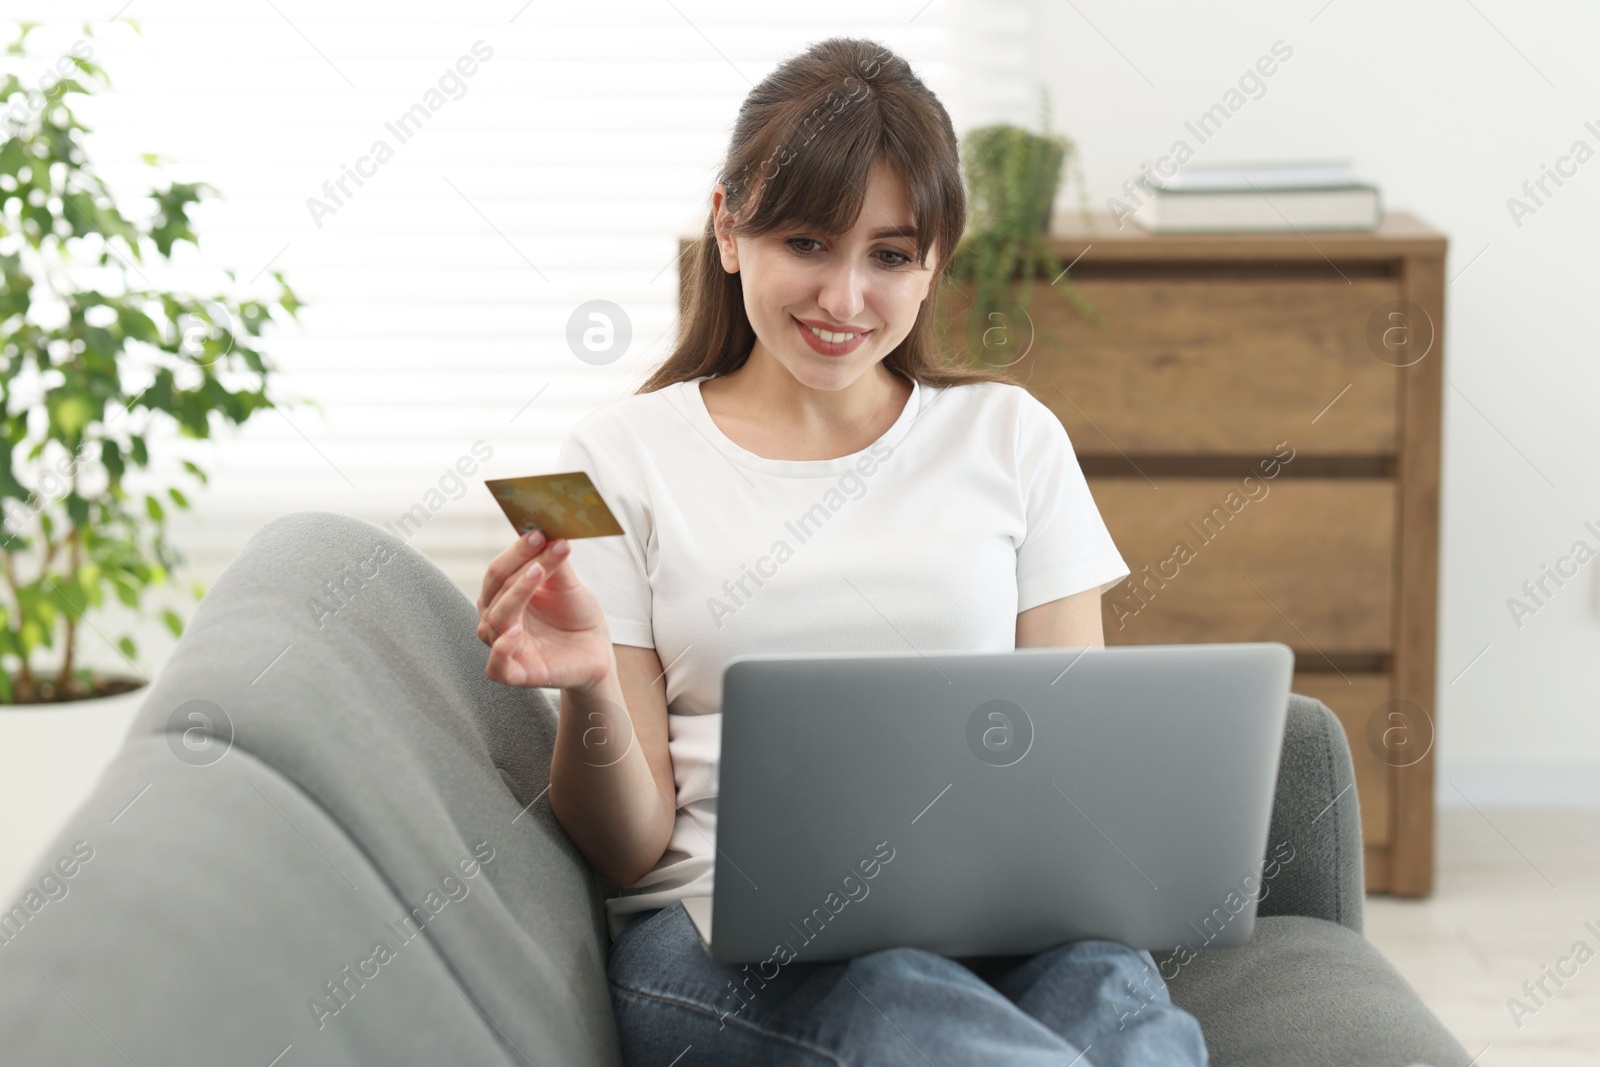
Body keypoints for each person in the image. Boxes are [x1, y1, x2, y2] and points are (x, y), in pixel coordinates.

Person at [475, 35, 1209, 1067]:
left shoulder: (1010, 435)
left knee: (1117, 1009)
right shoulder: (611, 459)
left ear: (933, 262)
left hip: (1007, 926)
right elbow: (627, 843)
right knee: (898, 1008)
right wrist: (591, 686)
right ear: (728, 227)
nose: (845, 300)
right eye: (808, 244)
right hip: (721, 938)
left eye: (890, 255)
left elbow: (1068, 774)